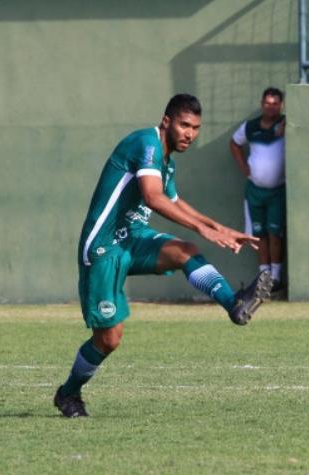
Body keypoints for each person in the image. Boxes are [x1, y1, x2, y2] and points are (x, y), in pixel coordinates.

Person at [54, 94, 274, 418]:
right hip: (104, 247)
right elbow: (153, 198)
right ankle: (68, 393)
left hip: (133, 237)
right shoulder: (146, 143)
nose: (190, 134)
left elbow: (174, 200)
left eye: (196, 128)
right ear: (166, 121)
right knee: (109, 339)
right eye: (184, 125)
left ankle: (234, 304)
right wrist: (203, 230)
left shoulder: (166, 162)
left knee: (185, 252)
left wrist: (219, 228)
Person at [229, 87, 286, 293]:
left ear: (281, 105)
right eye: (267, 103)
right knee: (258, 235)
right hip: (254, 192)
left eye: (275, 104)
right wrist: (243, 166)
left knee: (275, 234)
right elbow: (234, 143)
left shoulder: (286, 124)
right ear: (262, 104)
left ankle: (276, 278)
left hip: (277, 192)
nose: (271, 107)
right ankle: (264, 278)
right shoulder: (250, 127)